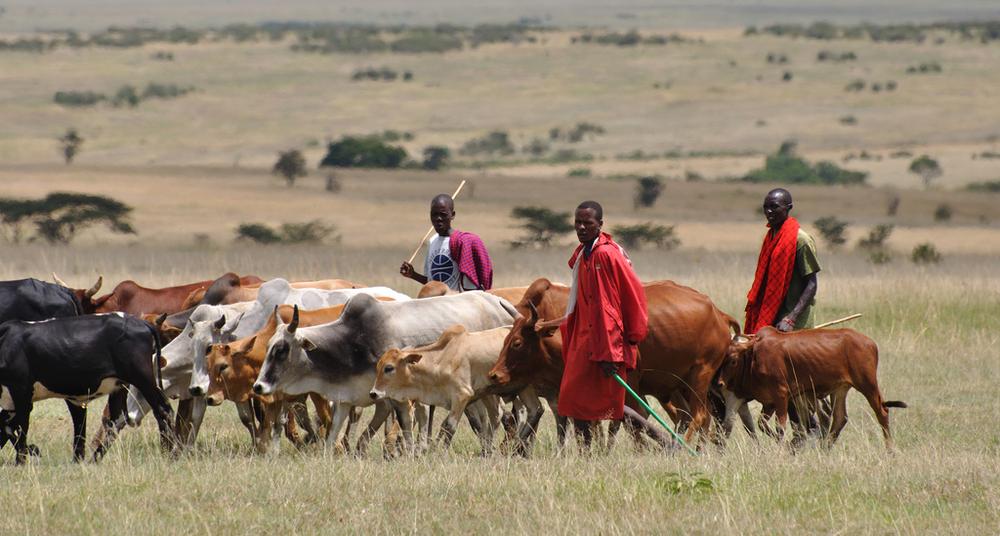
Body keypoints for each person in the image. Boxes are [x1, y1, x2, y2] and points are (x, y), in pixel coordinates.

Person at [541, 200, 648, 446]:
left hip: (606, 345)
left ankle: (663, 441)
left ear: (600, 225)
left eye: (587, 223)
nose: (581, 227)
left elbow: (625, 301)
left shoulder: (607, 255)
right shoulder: (583, 255)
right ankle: (588, 454)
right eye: (577, 223)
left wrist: (614, 351)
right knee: (573, 399)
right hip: (586, 341)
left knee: (611, 403)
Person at [744, 188, 821, 334]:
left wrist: (791, 318)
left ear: (789, 207)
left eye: (774, 207)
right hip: (770, 315)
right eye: (766, 207)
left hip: (794, 323)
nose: (769, 212)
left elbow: (811, 284)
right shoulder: (770, 237)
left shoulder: (801, 240)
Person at [399, 194, 493, 291]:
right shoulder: (432, 241)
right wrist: (413, 275)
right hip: (435, 302)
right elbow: (431, 282)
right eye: (434, 214)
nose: (438, 218)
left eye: (443, 214)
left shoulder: (461, 243)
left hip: (455, 303)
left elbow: (470, 286)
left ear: (452, 215)